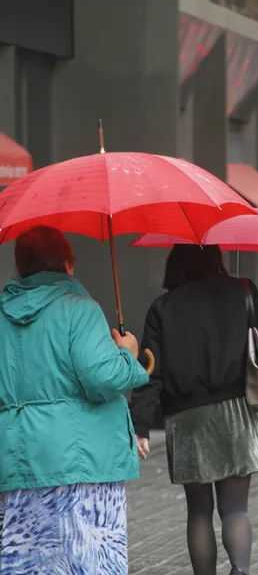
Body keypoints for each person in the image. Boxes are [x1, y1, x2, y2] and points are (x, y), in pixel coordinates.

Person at [0, 225, 149, 574]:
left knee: (26, 560)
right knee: (88, 562)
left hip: (18, 458)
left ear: (20, 265)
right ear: (68, 263)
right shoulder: (79, 309)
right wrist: (127, 354)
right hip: (82, 462)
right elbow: (102, 377)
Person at [130, 245, 258, 575]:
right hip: (235, 412)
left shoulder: (162, 307)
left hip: (186, 419)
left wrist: (139, 426)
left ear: (174, 264)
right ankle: (239, 570)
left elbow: (151, 372)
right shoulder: (243, 291)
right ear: (216, 258)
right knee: (236, 509)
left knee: (198, 511)